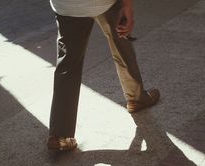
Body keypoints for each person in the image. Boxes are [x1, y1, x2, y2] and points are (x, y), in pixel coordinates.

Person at [47, 0, 160, 151]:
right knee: (122, 45)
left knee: (68, 64)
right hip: (105, 2)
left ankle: (61, 135)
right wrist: (127, 5)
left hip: (67, 5)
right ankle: (136, 98)